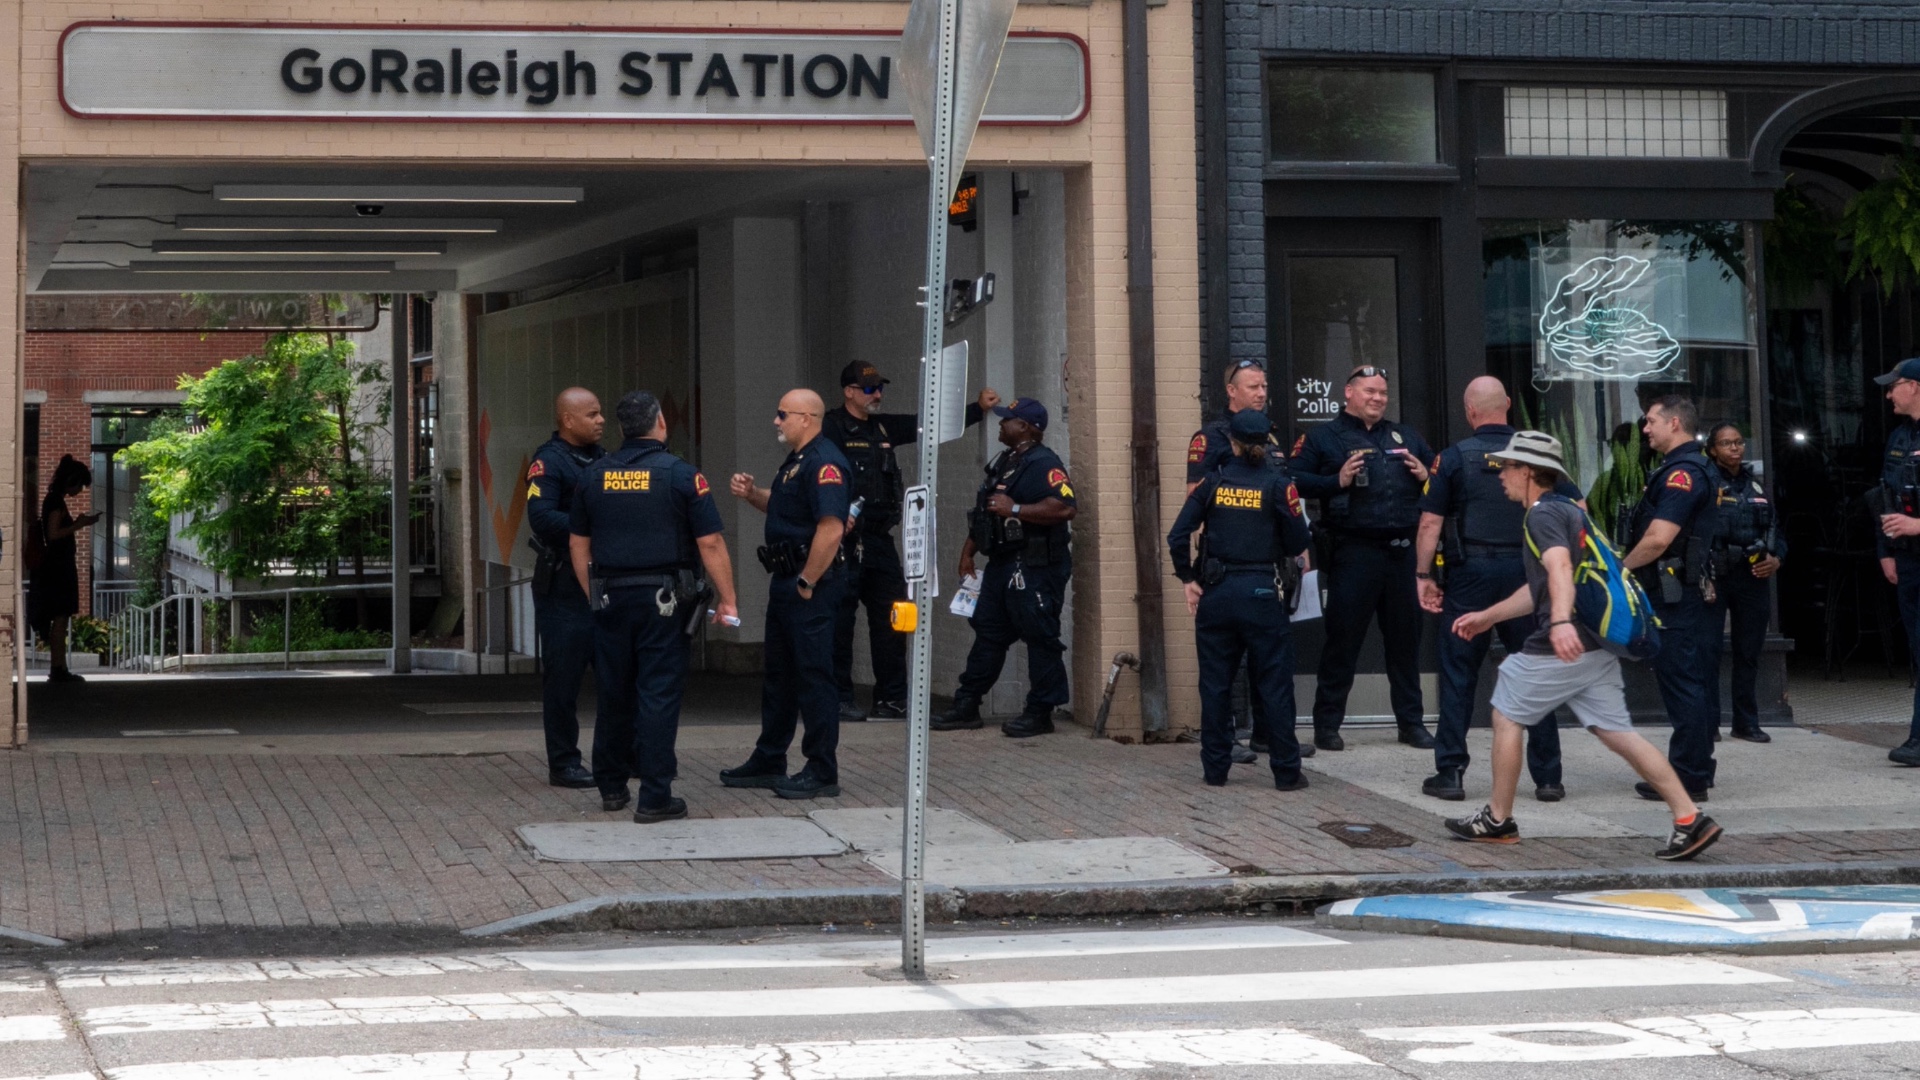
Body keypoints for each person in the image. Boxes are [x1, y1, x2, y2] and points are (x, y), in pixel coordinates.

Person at [1443, 430, 1723, 862]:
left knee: (1505, 713)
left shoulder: (1541, 516)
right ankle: (1689, 817)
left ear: (1531, 472)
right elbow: (1544, 585)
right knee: (1619, 733)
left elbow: (1556, 570)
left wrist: (1558, 623)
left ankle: (1498, 820)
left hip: (1565, 641)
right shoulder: (1571, 513)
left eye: (1509, 466)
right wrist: (1489, 617)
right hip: (1596, 643)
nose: (1501, 475)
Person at [568, 391, 739, 822]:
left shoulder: (592, 476)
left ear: (624, 428)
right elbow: (710, 541)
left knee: (614, 691)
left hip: (610, 598)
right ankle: (655, 796)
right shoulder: (681, 475)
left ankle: (610, 786)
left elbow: (578, 543)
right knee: (658, 695)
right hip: (664, 601)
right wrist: (729, 598)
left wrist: (595, 593)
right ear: (660, 423)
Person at [1415, 378, 1571, 802]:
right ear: (1507, 405)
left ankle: (1450, 774)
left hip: (1471, 577)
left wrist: (1423, 576)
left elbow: (1430, 523)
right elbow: (1579, 510)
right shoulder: (1536, 455)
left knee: (1458, 675)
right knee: (1535, 673)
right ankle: (1548, 778)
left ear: (1470, 412)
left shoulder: (1452, 458)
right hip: (1526, 576)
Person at [820, 361, 998, 723]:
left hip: (879, 540)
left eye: (879, 387)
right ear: (849, 392)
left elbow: (928, 423)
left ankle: (892, 699)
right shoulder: (832, 427)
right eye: (869, 388)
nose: (877, 394)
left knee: (894, 617)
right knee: (840, 621)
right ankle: (837, 699)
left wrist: (977, 409)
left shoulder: (884, 426)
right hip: (843, 538)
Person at [1290, 365, 1437, 752]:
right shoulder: (1323, 437)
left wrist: (1426, 476)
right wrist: (1334, 482)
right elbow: (1292, 481)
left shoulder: (1404, 436)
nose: (1377, 398)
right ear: (1348, 393)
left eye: (1382, 393)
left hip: (1402, 554)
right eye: (1369, 391)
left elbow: (1442, 486)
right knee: (1343, 642)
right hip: (1353, 552)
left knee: (1406, 644)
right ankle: (1327, 725)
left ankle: (1411, 723)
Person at [1168, 409, 1313, 789]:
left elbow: (1177, 535)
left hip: (1216, 592)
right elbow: (1300, 542)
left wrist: (1187, 578)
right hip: (1262, 591)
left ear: (1231, 441)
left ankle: (1215, 770)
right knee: (1274, 684)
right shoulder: (1280, 485)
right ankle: (1286, 772)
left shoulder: (1212, 482)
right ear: (1267, 442)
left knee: (1215, 685)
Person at [722, 389, 852, 799]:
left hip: (808, 583)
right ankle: (769, 757)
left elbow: (831, 528)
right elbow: (785, 508)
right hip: (786, 580)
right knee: (779, 676)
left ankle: (821, 769)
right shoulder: (797, 462)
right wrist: (753, 493)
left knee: (813, 676)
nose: (776, 422)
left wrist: (808, 582)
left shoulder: (825, 463)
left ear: (806, 418)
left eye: (782, 415)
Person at [932, 397, 1077, 737]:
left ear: (1025, 427)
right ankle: (967, 704)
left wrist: (1016, 510)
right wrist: (968, 552)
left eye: (1007, 420)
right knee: (989, 634)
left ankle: (1040, 712)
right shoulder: (1006, 461)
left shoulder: (1044, 463)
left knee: (1040, 637)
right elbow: (986, 513)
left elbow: (1066, 507)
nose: (1001, 424)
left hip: (1035, 566)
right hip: (1001, 564)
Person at [1185, 358, 1300, 764]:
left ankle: (1270, 736)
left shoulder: (1267, 436)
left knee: (1271, 661)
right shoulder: (1213, 437)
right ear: (1231, 391)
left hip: (1272, 563)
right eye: (1253, 386)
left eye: (1264, 386)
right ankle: (1226, 741)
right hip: (1230, 564)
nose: (1261, 392)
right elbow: (1195, 499)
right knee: (1225, 666)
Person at [1621, 395, 1719, 801]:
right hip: (1674, 591)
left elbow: (1659, 538)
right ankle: (1690, 769)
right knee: (1685, 681)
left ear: (1674, 423)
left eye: (1651, 422)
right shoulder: (1680, 469)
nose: (1645, 430)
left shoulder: (1683, 474)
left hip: (1674, 594)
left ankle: (1690, 776)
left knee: (1683, 683)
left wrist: (1621, 571)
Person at [523, 388, 607, 790]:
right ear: (568, 420)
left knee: (616, 673)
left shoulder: (606, 459)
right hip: (563, 588)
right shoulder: (549, 462)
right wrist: (588, 527)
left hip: (603, 582)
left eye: (601, 413)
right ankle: (564, 763)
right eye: (591, 414)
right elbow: (541, 517)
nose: (600, 420)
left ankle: (622, 755)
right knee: (564, 679)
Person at [1703, 422, 1784, 745]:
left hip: (1752, 574)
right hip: (1715, 574)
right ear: (1713, 450)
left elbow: (1777, 530)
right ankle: (1708, 722)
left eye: (1738, 442)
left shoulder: (1756, 485)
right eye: (1726, 443)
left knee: (1748, 651)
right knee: (1707, 651)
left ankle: (1746, 722)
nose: (1735, 448)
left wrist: (1776, 559)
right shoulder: (1705, 483)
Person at [1872, 357, 1920, 766]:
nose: (1889, 394)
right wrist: (1886, 551)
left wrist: (1917, 526)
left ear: (1916, 387)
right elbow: (1885, 498)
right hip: (1907, 561)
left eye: (1895, 385)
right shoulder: (1899, 437)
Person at [28, 455, 101, 684]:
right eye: (79, 485)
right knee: (60, 619)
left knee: (60, 619)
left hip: (56, 568)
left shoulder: (54, 500)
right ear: (71, 481)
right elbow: (53, 534)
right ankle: (58, 669)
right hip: (58, 569)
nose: (80, 490)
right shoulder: (55, 502)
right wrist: (78, 525)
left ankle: (59, 667)